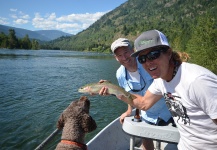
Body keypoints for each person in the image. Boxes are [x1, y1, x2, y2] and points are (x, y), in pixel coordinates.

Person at [101, 30, 217, 150]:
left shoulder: (197, 81)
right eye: (142, 59)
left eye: (153, 55)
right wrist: (112, 90)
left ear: (168, 53)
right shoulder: (160, 80)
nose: (148, 63)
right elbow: (143, 103)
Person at [109, 38, 173, 150]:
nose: (124, 58)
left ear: (132, 50)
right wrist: (129, 111)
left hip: (168, 111)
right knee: (146, 141)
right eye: (119, 55)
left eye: (126, 52)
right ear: (116, 58)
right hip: (146, 114)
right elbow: (127, 94)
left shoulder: (147, 62)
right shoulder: (120, 74)